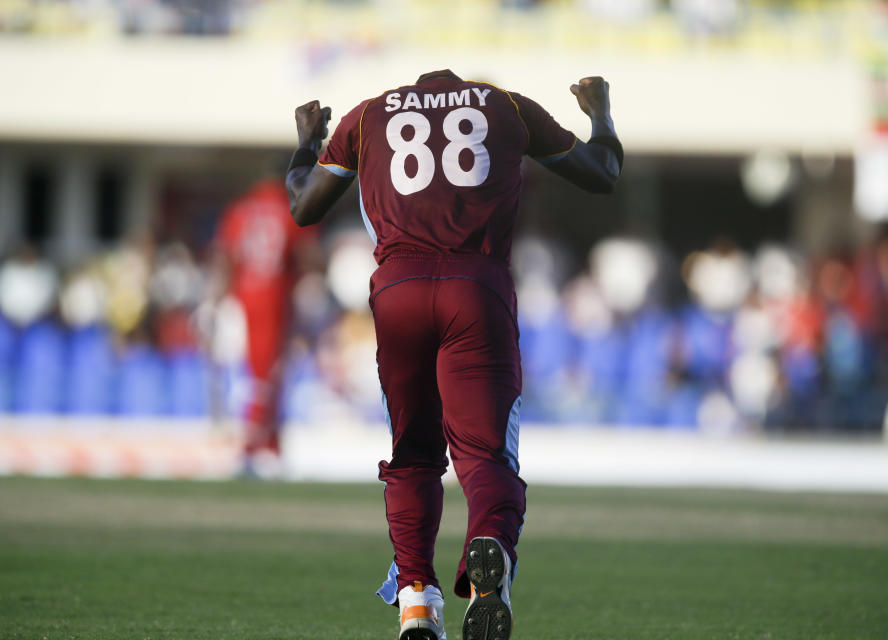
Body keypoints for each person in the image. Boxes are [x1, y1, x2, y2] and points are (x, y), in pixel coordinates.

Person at [286, 70, 622, 640]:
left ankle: (417, 598)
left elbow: (303, 206)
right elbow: (602, 175)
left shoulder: (368, 116)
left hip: (399, 292)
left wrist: (305, 142)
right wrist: (601, 114)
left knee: (413, 454)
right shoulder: (508, 107)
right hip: (477, 287)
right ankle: (488, 552)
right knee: (485, 458)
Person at [211, 179, 314, 474]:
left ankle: (270, 444)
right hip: (275, 295)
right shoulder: (290, 207)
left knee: (261, 373)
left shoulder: (241, 208)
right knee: (267, 374)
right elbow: (306, 252)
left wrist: (221, 295)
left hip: (243, 294)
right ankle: (252, 448)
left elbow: (225, 253)